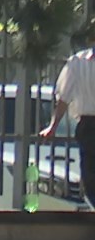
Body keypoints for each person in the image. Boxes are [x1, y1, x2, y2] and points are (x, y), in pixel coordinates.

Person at [39, 19, 95, 209]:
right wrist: (53, 126)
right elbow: (64, 96)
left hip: (88, 126)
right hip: (89, 125)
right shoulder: (78, 63)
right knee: (90, 178)